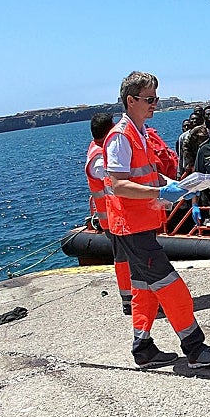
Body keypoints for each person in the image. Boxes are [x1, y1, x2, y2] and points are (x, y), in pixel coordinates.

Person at [104, 72, 210, 369]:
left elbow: (147, 174)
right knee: (171, 285)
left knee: (143, 289)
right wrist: (160, 192)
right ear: (131, 100)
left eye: (155, 98)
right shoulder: (121, 137)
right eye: (149, 99)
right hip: (131, 227)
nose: (154, 104)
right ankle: (194, 347)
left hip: (140, 224)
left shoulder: (140, 133)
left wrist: (175, 185)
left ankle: (143, 347)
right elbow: (118, 184)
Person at [85, 112, 133, 315]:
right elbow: (115, 178)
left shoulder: (98, 150)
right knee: (124, 259)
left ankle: (132, 298)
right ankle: (129, 300)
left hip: (115, 218)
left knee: (126, 259)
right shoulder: (98, 158)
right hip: (114, 220)